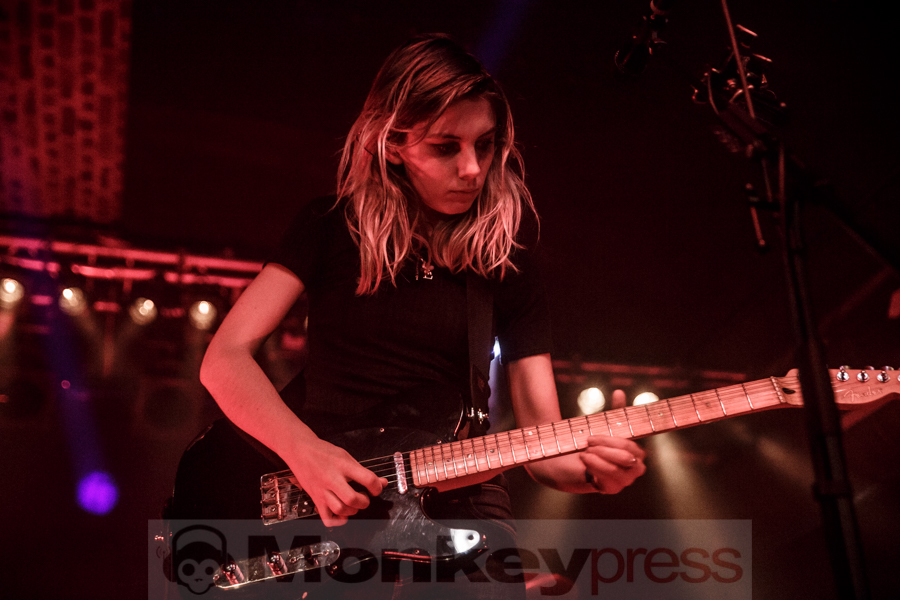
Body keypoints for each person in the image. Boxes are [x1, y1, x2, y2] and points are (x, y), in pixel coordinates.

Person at [199, 33, 645, 597]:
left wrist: (594, 474)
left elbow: (542, 446)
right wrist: (305, 454)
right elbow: (224, 359)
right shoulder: (331, 228)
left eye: (485, 146)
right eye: (446, 147)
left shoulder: (506, 262)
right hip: (335, 502)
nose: (472, 168)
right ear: (393, 145)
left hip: (465, 507)